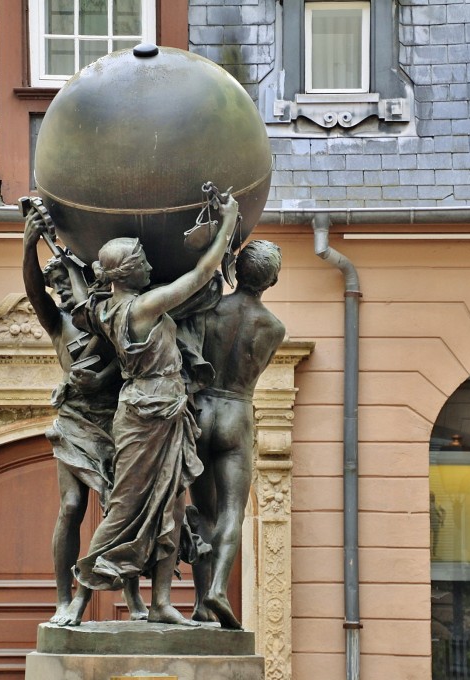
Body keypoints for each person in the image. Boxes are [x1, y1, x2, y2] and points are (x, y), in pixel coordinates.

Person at [73, 193, 238, 625]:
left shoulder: (105, 307)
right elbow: (202, 274)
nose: (151, 266)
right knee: (126, 506)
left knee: (172, 505)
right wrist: (230, 220)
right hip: (149, 412)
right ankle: (80, 596)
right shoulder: (142, 306)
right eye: (144, 261)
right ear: (128, 273)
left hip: (159, 408)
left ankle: (163, 603)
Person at [21, 214, 146, 625]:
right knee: (72, 505)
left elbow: (128, 362)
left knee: (120, 509)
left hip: (116, 421)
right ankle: (63, 597)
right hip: (74, 422)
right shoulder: (59, 326)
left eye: (65, 282)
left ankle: (132, 595)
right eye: (55, 286)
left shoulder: (109, 317)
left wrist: (103, 377)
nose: (59, 290)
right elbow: (33, 290)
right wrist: (29, 245)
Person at [187, 240, 286, 629]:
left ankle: (199, 603)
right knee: (232, 510)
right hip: (237, 411)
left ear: (237, 270)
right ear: (272, 280)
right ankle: (217, 591)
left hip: (200, 411)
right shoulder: (274, 328)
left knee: (203, 512)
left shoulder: (208, 312)